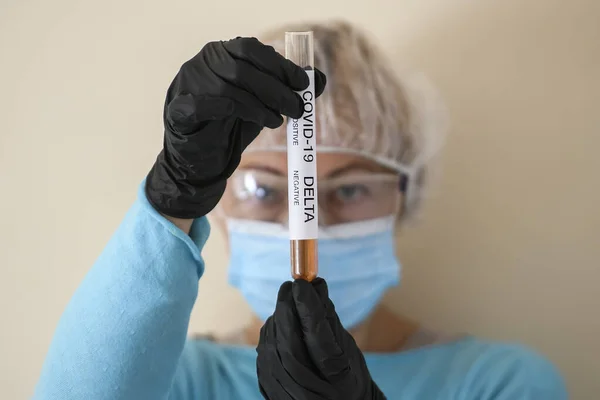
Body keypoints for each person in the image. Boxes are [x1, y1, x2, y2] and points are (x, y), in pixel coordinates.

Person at [33, 21, 567, 399]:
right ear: (218, 205)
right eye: (265, 189)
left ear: (407, 193)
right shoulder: (177, 378)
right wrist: (175, 190)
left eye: (352, 189)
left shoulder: (498, 384)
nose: (306, 221)